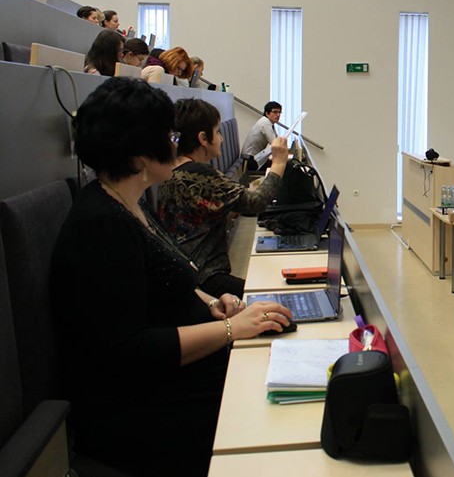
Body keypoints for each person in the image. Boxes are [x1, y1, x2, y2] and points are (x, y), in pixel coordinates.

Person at [50, 77, 292, 476]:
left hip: (173, 380)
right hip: (142, 410)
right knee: (267, 397)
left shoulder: (129, 203)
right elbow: (129, 349)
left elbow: (169, 280)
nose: (175, 146)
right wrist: (231, 329)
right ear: (139, 155)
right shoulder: (102, 225)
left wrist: (213, 303)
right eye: (170, 136)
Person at [157, 98, 288, 297]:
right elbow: (257, 203)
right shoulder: (201, 174)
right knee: (275, 301)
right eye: (217, 132)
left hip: (189, 278)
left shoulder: (171, 171)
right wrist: (279, 163)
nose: (221, 138)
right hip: (208, 280)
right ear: (203, 138)